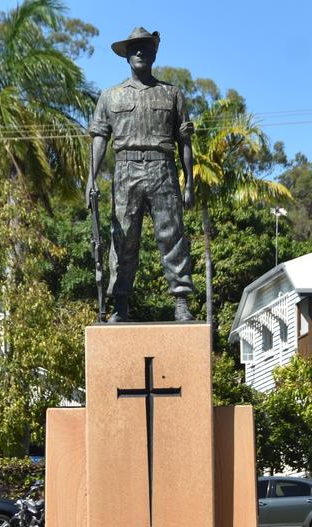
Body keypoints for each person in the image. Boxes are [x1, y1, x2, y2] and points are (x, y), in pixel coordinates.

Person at [86, 26, 196, 323]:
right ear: (126, 56)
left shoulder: (172, 94)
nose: (139, 52)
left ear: (154, 53)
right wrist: (91, 178)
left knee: (172, 235)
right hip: (125, 170)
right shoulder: (110, 97)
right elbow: (99, 138)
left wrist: (190, 183)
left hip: (163, 167)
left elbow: (185, 141)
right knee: (123, 239)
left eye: (145, 48)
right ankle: (120, 304)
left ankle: (181, 301)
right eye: (134, 48)